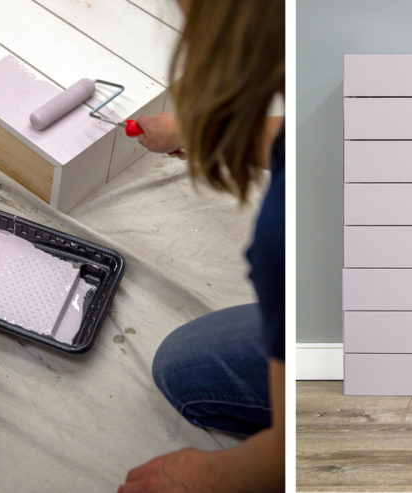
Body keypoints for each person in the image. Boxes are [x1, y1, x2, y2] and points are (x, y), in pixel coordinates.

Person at [117, 0, 284, 491]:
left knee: (183, 372)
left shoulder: (279, 237)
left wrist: (200, 477)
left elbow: (296, 442)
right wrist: (203, 131)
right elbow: (312, 135)